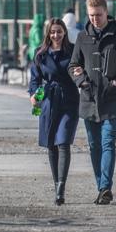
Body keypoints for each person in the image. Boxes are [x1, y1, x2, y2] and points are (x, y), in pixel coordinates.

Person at [68, 0, 116, 204]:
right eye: (91, 15)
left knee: (108, 143)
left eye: (98, 15)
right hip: (89, 99)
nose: (95, 19)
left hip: (111, 99)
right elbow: (73, 65)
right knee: (94, 146)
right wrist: (81, 80)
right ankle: (102, 187)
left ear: (106, 13)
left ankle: (105, 187)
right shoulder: (82, 37)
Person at [28, 19, 79, 206]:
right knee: (51, 144)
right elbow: (35, 79)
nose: (56, 35)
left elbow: (82, 71)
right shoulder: (40, 54)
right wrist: (33, 94)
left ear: (64, 32)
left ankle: (61, 188)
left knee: (63, 142)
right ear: (48, 34)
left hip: (69, 100)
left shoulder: (74, 51)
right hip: (48, 100)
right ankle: (56, 183)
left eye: (59, 31)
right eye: (52, 32)